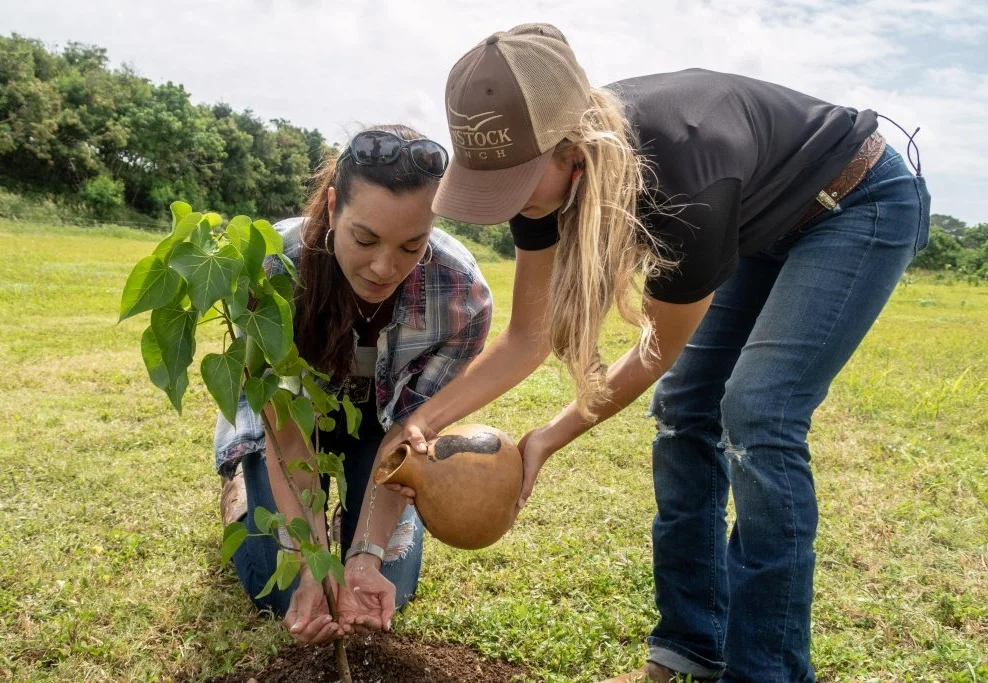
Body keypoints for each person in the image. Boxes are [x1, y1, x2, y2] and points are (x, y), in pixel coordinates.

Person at [375, 24, 930, 683]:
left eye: (517, 181)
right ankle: (688, 644)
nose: (507, 204)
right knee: (686, 408)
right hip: (765, 219)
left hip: (855, 200)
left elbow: (655, 350)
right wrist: (422, 423)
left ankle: (766, 671)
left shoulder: (682, 183)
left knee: (759, 410)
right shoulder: (539, 182)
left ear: (572, 149)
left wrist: (546, 438)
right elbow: (526, 337)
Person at [214, 124, 492, 646]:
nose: (385, 267)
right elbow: (289, 430)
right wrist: (309, 557)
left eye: (412, 246)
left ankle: (350, 529)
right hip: (296, 422)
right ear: (334, 205)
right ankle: (239, 476)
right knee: (281, 591)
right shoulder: (273, 268)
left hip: (382, 430)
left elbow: (410, 437)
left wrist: (364, 554)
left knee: (386, 587)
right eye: (364, 239)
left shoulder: (462, 298)